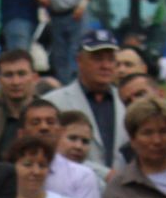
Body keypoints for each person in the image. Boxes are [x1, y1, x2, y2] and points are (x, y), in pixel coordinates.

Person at [44, 33, 124, 169]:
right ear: (79, 60)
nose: (106, 66)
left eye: (111, 59)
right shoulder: (53, 102)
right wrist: (103, 173)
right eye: (98, 59)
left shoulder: (126, 101)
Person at [0, 49, 40, 162]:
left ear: (35, 78)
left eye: (21, 74)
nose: (15, 82)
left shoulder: (51, 119)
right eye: (8, 75)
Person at [41, 0, 95, 84]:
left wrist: (82, 5)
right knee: (59, 54)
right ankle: (63, 84)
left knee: (75, 51)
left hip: (75, 14)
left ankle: (75, 83)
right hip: (57, 16)